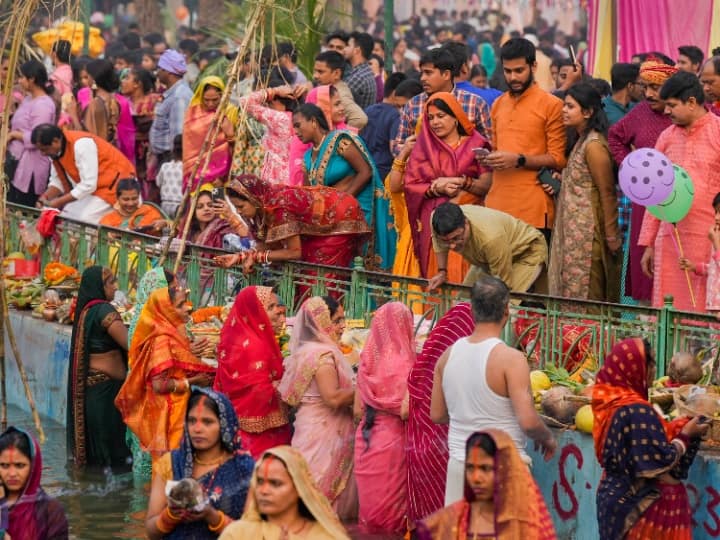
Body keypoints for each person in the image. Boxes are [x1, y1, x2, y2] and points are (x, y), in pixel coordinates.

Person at [430, 276, 556, 504]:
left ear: (472, 311)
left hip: (461, 467)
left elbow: (437, 415)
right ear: (506, 311)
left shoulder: (447, 356)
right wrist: (547, 437)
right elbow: (528, 422)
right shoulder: (512, 359)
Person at [592, 338, 709, 539]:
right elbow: (660, 460)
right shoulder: (638, 411)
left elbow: (639, 445)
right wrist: (686, 434)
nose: (654, 369)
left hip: (611, 496)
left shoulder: (607, 400)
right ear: (637, 368)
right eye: (651, 363)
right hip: (637, 504)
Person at [639, 72, 720, 311]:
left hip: (709, 239)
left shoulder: (717, 132)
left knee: (706, 311)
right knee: (668, 310)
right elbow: (653, 193)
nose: (667, 111)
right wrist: (649, 243)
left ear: (692, 102)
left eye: (673, 105)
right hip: (670, 239)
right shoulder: (666, 138)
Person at [115, 286, 215, 469]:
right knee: (171, 468)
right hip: (168, 412)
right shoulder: (162, 339)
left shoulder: (172, 333)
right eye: (180, 305)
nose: (188, 308)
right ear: (165, 310)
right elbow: (159, 385)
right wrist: (193, 381)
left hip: (174, 408)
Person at [277, 296, 357, 516]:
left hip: (309, 426)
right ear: (322, 321)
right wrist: (364, 390)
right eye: (337, 320)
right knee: (320, 497)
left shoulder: (304, 350)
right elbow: (332, 398)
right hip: (325, 433)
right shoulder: (322, 355)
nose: (343, 326)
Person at [483, 38, 566, 243]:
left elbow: (558, 159)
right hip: (496, 206)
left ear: (534, 66)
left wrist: (519, 160)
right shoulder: (498, 105)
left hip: (534, 208)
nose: (513, 77)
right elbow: (496, 149)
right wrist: (488, 158)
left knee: (532, 275)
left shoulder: (552, 105)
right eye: (508, 71)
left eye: (519, 70)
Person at [401, 92, 492, 280]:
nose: (435, 122)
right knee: (438, 277)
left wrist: (461, 182)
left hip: (467, 223)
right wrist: (436, 189)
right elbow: (409, 185)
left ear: (456, 117)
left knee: (466, 279)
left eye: (441, 116)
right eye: (431, 118)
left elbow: (486, 184)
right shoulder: (423, 149)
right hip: (435, 224)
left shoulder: (476, 144)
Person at [293, 103, 395, 270]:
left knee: (359, 265)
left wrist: (340, 202)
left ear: (313, 121)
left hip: (358, 207)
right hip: (331, 216)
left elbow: (365, 172)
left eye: (298, 125)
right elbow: (308, 193)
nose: (296, 132)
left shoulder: (340, 140)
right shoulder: (307, 158)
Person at [146, 388, 255, 539]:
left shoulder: (245, 468)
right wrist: (170, 515)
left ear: (224, 425)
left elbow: (253, 535)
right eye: (191, 421)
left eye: (207, 422)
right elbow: (151, 532)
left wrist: (212, 516)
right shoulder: (170, 462)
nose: (197, 429)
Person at [608, 61, 676, 304]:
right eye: (646, 87)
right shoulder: (639, 113)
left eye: (656, 87)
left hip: (677, 200)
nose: (649, 94)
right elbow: (615, 136)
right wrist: (630, 167)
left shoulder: (678, 115)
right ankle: (645, 323)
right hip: (645, 200)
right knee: (642, 261)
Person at [548, 83, 621, 302]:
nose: (563, 110)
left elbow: (607, 192)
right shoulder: (581, 140)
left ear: (588, 112)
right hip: (574, 236)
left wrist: (611, 235)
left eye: (570, 106)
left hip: (589, 236)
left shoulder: (594, 145)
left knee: (589, 296)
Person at [415, 430, 556, 539]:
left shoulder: (529, 524)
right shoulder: (446, 523)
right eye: (470, 468)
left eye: (486, 468)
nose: (476, 478)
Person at [214, 174, 368, 273]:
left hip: (341, 217)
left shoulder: (279, 207)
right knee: (302, 275)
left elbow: (294, 252)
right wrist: (239, 257)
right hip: (316, 227)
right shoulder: (257, 210)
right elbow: (263, 245)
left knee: (316, 275)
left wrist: (256, 258)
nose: (239, 212)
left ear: (254, 198)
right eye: (236, 208)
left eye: (240, 207)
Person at [407, 302, 475, 525]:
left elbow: (412, 400)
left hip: (421, 445)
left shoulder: (430, 359)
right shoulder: (467, 359)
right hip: (448, 448)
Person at [353, 302, 415, 535]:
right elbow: (406, 411)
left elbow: (357, 410)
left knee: (370, 511)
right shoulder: (408, 363)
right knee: (391, 514)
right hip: (393, 442)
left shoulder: (367, 359)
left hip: (367, 438)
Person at [214, 286, 291, 459]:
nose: (278, 313)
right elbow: (260, 393)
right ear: (253, 310)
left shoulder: (232, 335)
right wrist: (288, 386)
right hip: (259, 437)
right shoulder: (257, 346)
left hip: (231, 427)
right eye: (270, 308)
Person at [68, 266, 132, 469]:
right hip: (105, 396)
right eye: (110, 282)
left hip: (94, 395)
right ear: (99, 286)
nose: (115, 286)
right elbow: (131, 343)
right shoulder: (104, 310)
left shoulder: (87, 311)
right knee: (114, 461)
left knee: (99, 464)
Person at [219, 446, 351, 539]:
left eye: (275, 483)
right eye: (259, 482)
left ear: (300, 488)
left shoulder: (325, 537)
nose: (263, 491)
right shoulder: (238, 534)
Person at [428, 202, 548, 292]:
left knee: (503, 309)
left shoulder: (491, 238)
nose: (453, 246)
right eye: (446, 241)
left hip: (527, 252)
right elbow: (439, 245)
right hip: (489, 259)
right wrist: (442, 272)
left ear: (466, 222)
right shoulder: (436, 219)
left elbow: (502, 285)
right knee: (462, 306)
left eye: (456, 238)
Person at [392, 48, 491, 154]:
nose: (422, 78)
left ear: (446, 75)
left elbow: (489, 145)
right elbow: (398, 147)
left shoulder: (475, 103)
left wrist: (466, 154)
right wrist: (410, 148)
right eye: (422, 73)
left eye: (428, 73)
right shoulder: (413, 105)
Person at [32, 124, 136, 223]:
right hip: (94, 189)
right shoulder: (54, 152)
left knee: (84, 219)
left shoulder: (81, 145)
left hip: (116, 185)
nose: (43, 154)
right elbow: (58, 182)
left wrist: (57, 202)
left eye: (44, 150)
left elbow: (88, 185)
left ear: (55, 141)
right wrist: (44, 198)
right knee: (66, 216)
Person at [0, 427, 69, 539]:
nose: (12, 473)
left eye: (20, 465)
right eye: (4, 465)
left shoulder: (51, 512)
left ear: (33, 466)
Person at [6, 60, 56, 207]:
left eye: (22, 77)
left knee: (23, 208)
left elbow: (39, 138)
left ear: (32, 79)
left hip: (32, 166)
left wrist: (14, 135)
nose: (19, 81)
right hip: (16, 162)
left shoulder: (44, 105)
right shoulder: (28, 99)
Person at [68, 58, 136, 164]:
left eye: (88, 76)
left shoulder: (96, 104)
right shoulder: (113, 99)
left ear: (94, 79)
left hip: (99, 157)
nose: (87, 79)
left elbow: (87, 138)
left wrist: (73, 115)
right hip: (111, 152)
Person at [236, 76, 298, 186]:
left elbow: (244, 102)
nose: (265, 105)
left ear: (275, 100)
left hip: (276, 181)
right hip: (290, 179)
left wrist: (273, 91)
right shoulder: (296, 117)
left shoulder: (279, 119)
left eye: (267, 101)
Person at [361, 74, 418, 180]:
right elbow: (394, 149)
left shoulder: (368, 110)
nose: (402, 110)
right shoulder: (396, 115)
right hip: (385, 171)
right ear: (395, 92)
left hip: (366, 167)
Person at [183, 76, 236, 190]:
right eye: (206, 100)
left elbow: (236, 146)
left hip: (222, 175)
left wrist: (230, 135)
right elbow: (189, 148)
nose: (210, 104)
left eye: (215, 100)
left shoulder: (230, 111)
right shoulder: (192, 115)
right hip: (195, 174)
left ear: (222, 96)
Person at [119, 67, 161, 200]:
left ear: (138, 84)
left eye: (127, 78)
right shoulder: (122, 103)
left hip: (150, 153)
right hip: (128, 153)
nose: (123, 82)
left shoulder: (154, 100)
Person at [150, 50, 193, 172]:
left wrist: (175, 164)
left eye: (160, 69)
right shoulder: (172, 94)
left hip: (172, 159)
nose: (157, 73)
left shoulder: (179, 97)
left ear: (168, 72)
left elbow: (178, 134)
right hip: (166, 157)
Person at [680, 192, 720, 312]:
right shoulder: (717, 237)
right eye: (716, 212)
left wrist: (716, 243)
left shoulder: (716, 240)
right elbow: (715, 268)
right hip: (713, 306)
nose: (716, 217)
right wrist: (694, 267)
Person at [313, 50, 368, 130]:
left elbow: (360, 119)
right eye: (315, 71)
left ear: (336, 73)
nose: (315, 76)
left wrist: (340, 135)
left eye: (320, 72)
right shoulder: (328, 89)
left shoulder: (339, 94)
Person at [99, 177, 166, 233]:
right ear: (117, 198)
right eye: (126, 199)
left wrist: (165, 224)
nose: (130, 203)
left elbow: (172, 231)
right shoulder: (108, 220)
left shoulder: (148, 211)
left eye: (134, 199)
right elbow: (97, 241)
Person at [343, 31, 377, 109]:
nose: (344, 49)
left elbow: (337, 99)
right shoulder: (366, 70)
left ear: (357, 50)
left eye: (348, 45)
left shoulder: (358, 77)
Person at [156, 134, 184, 217]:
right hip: (180, 205)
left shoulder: (165, 166)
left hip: (165, 204)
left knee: (166, 227)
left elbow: (158, 183)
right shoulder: (187, 168)